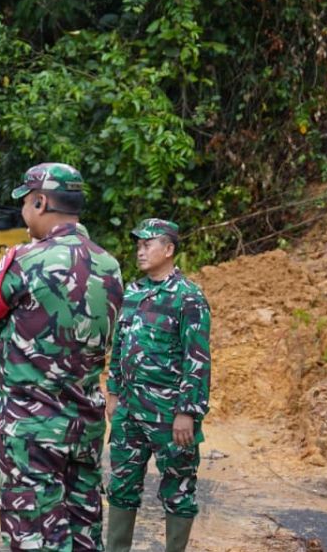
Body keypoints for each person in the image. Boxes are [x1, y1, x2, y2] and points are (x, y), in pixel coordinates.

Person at [0, 162, 124, 551]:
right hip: (85, 429)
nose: (24, 212)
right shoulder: (111, 266)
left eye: (26, 202)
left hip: (32, 432)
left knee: (35, 536)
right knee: (83, 532)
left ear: (40, 202)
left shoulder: (24, 261)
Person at [106, 219, 211, 552]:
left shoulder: (188, 297)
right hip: (129, 411)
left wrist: (188, 412)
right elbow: (119, 345)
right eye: (138, 245)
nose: (140, 250)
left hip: (169, 414)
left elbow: (197, 360)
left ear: (169, 249)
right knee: (121, 486)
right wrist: (112, 391)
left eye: (147, 244)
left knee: (178, 489)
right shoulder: (133, 293)